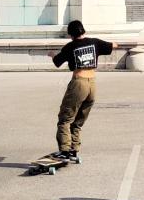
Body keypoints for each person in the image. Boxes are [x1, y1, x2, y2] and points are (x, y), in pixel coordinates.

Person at [47, 20, 115, 162]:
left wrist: (52, 54)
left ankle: (65, 151)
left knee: (65, 119)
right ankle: (74, 149)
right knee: (78, 120)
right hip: (92, 85)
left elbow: (57, 62)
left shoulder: (70, 46)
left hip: (79, 83)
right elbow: (113, 45)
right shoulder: (94, 42)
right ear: (83, 31)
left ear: (71, 35)